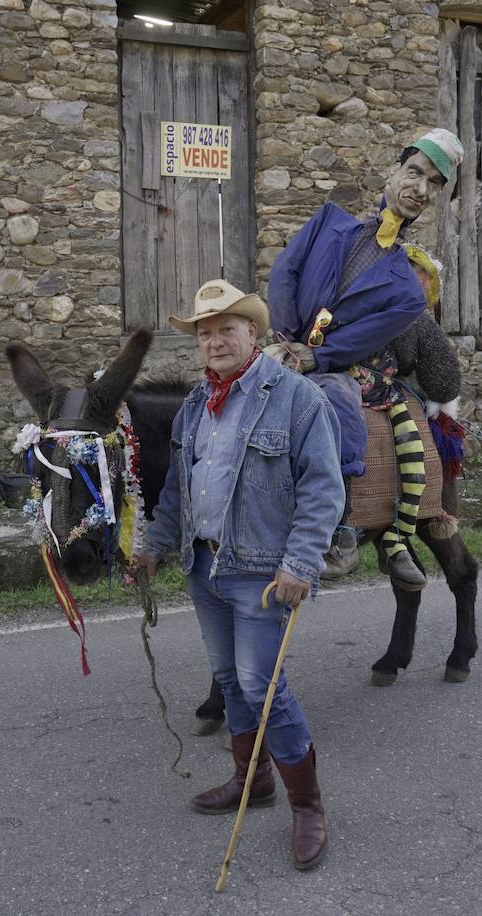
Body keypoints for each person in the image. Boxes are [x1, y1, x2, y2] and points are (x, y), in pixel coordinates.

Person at [131, 278, 344, 872]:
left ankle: (308, 804)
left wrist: (300, 563)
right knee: (229, 682)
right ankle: (252, 781)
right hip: (205, 566)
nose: (215, 340)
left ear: (253, 333)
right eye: (205, 332)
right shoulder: (197, 404)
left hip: (263, 572)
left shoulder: (298, 399)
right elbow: (177, 487)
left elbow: (324, 490)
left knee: (262, 688)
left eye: (227, 328)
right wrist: (153, 547)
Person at [266, 128, 465, 587]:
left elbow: (360, 339)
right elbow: (285, 272)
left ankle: (340, 528)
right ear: (393, 172)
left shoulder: (407, 292)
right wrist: (284, 337)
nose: (420, 188)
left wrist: (314, 359)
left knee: (337, 404)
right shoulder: (327, 223)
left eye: (434, 183)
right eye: (415, 172)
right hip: (281, 343)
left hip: (333, 366)